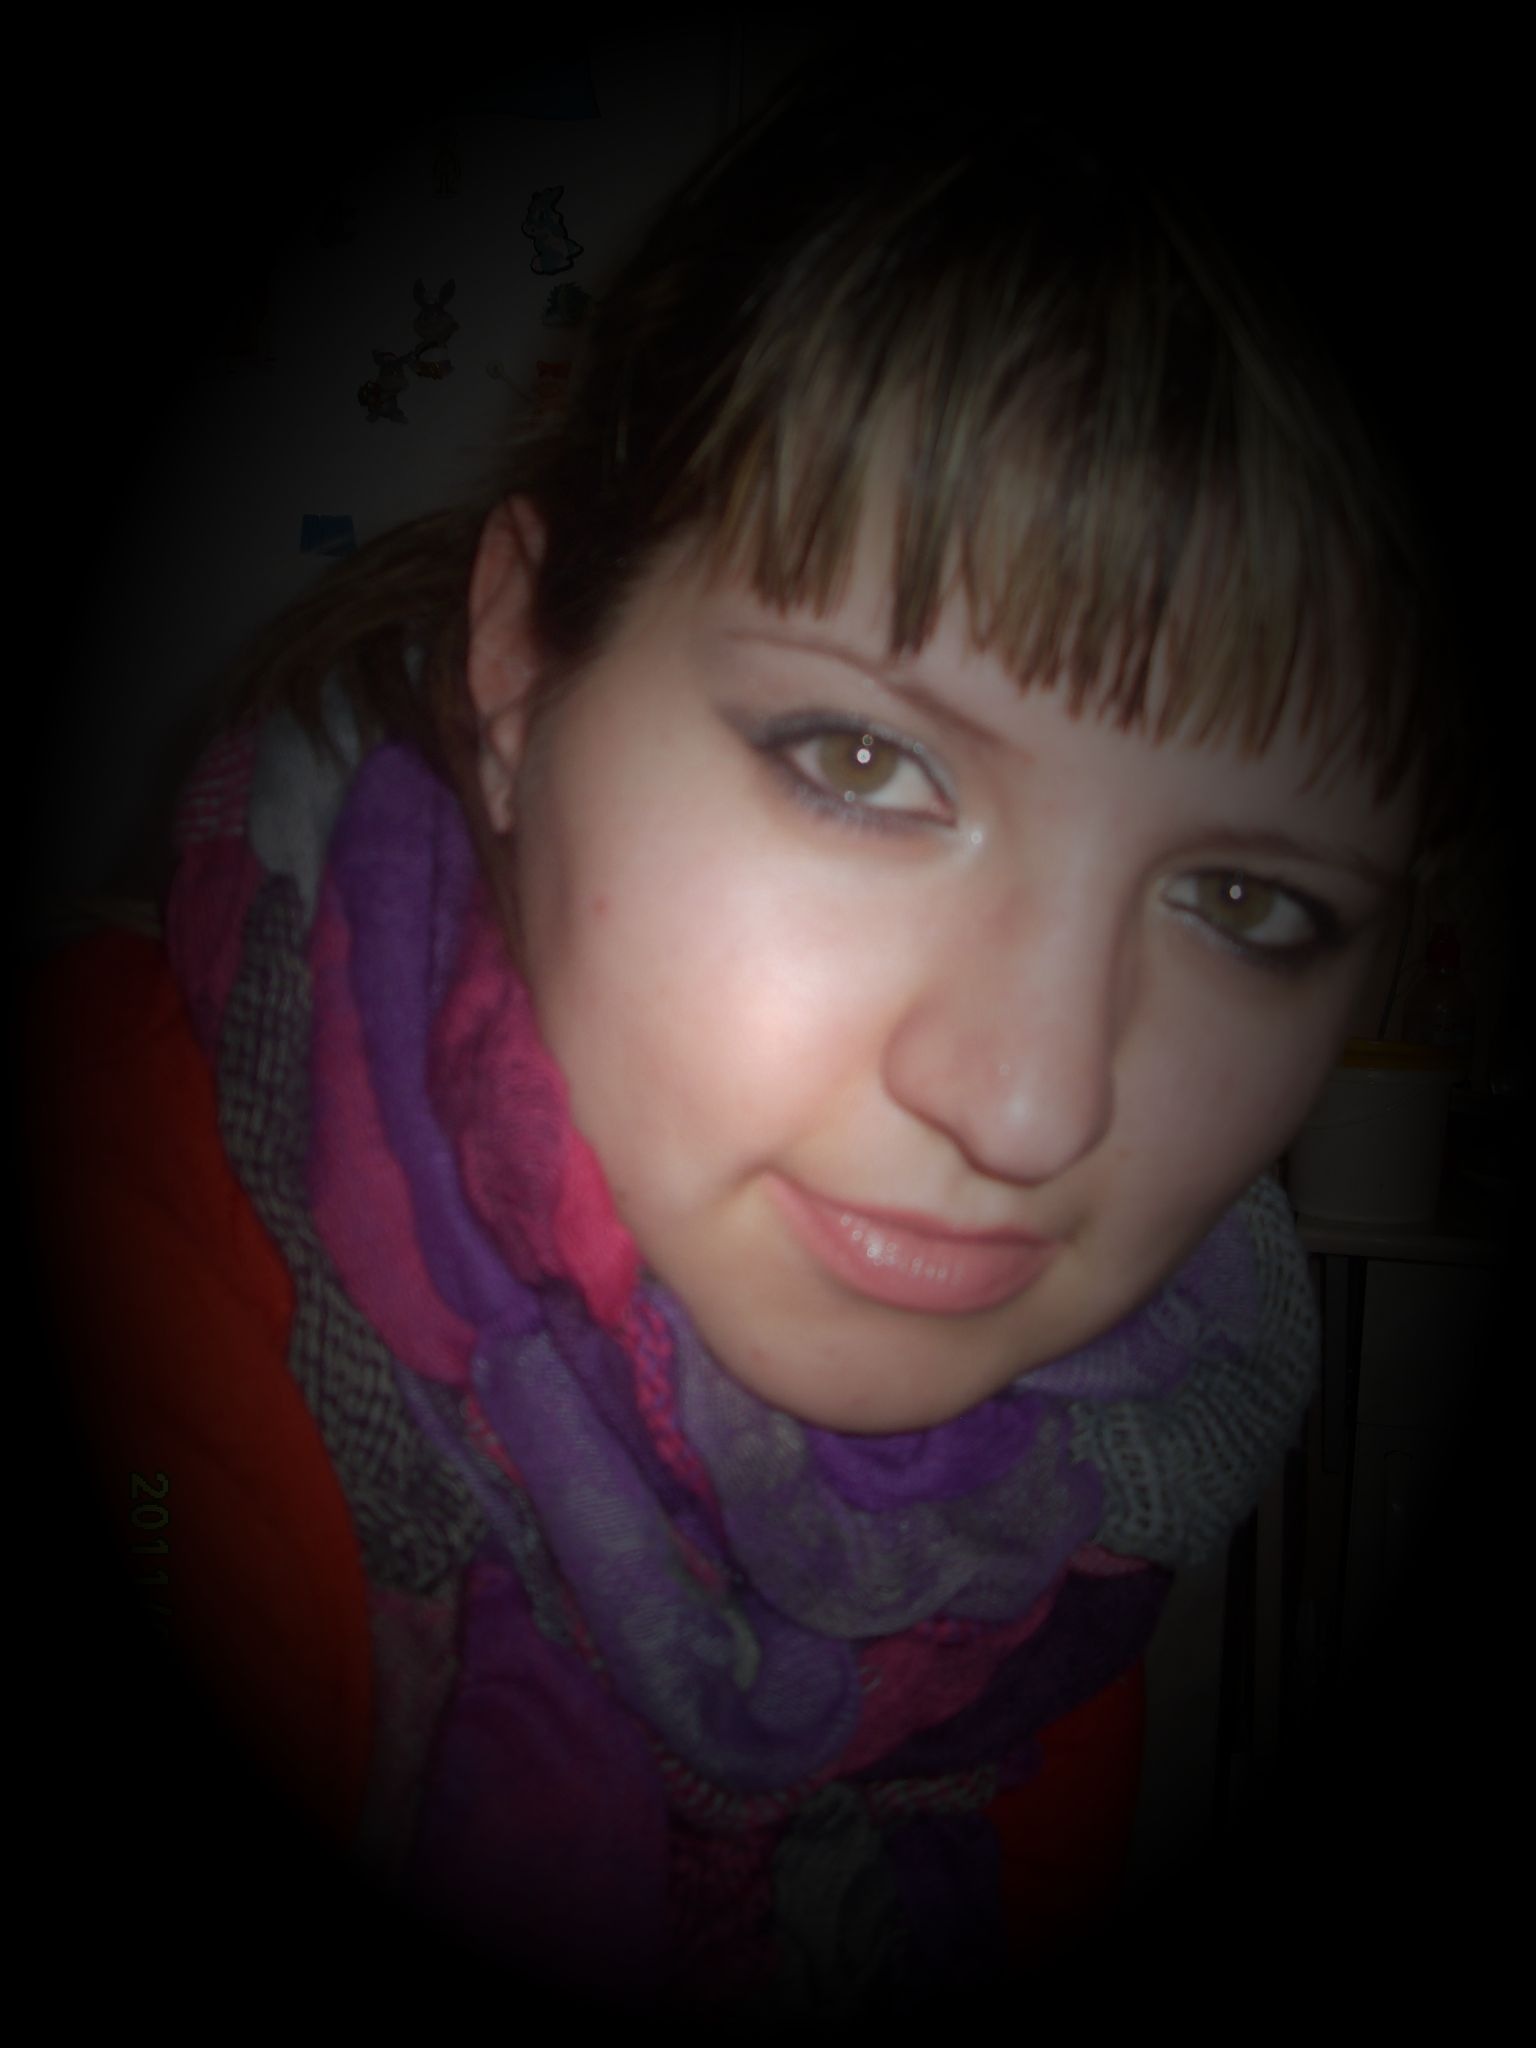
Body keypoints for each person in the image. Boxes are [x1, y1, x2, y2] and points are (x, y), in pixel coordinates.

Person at [26, 39, 1493, 2026]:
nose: (1032, 1106)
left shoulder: (1073, 1516)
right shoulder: (123, 1238)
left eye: (1246, 905)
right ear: (521, 661)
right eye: (862, 761)